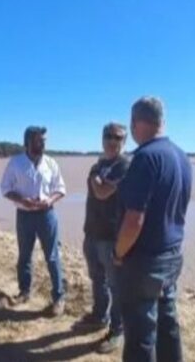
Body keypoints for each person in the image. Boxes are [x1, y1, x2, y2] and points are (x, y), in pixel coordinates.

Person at [114, 97, 192, 362]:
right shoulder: (181, 157)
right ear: (161, 121)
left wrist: (118, 252)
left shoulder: (145, 158)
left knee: (140, 335)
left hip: (145, 262)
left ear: (135, 124)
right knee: (167, 325)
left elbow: (134, 221)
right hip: (172, 256)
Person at [0, 126, 66, 316]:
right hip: (24, 216)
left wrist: (49, 200)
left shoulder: (51, 163)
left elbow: (61, 188)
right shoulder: (15, 163)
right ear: (28, 142)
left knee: (53, 257)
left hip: (47, 215)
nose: (43, 144)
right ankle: (24, 292)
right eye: (39, 140)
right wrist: (22, 201)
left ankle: (59, 298)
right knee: (24, 256)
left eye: (44, 140)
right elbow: (5, 188)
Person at [76, 122, 130, 353]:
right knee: (97, 279)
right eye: (108, 136)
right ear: (102, 139)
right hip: (92, 232)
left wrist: (99, 178)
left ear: (124, 141)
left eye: (117, 138)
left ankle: (117, 330)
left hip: (112, 236)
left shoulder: (125, 165)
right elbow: (98, 189)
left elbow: (101, 192)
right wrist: (99, 176)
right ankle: (100, 316)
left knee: (116, 285)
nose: (112, 141)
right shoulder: (97, 166)